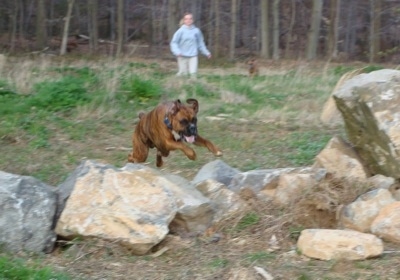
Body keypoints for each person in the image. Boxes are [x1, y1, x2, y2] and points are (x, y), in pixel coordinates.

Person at [170, 13, 211, 78]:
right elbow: (174, 42)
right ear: (184, 21)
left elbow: (200, 43)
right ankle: (176, 84)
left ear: (193, 20)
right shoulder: (180, 31)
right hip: (182, 55)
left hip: (193, 56)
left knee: (193, 74)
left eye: (190, 19)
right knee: (183, 74)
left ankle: (193, 86)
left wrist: (206, 53)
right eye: (186, 19)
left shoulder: (196, 31)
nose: (188, 20)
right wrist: (177, 52)